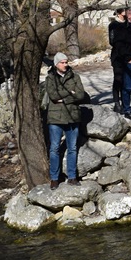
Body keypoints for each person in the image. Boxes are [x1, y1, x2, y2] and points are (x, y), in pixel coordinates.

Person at [45, 52, 86, 188]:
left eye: (66, 62)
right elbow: (53, 96)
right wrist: (70, 92)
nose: (65, 64)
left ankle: (72, 177)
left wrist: (64, 98)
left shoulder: (75, 77)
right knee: (54, 148)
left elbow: (81, 95)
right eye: (62, 62)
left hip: (73, 117)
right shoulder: (50, 78)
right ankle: (54, 178)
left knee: (72, 148)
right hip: (55, 118)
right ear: (56, 64)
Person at [108, 8, 127, 113]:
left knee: (126, 80)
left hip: (128, 56)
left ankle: (125, 102)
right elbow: (112, 40)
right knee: (118, 79)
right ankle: (116, 102)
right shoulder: (113, 25)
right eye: (124, 11)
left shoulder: (128, 24)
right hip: (117, 56)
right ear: (119, 13)